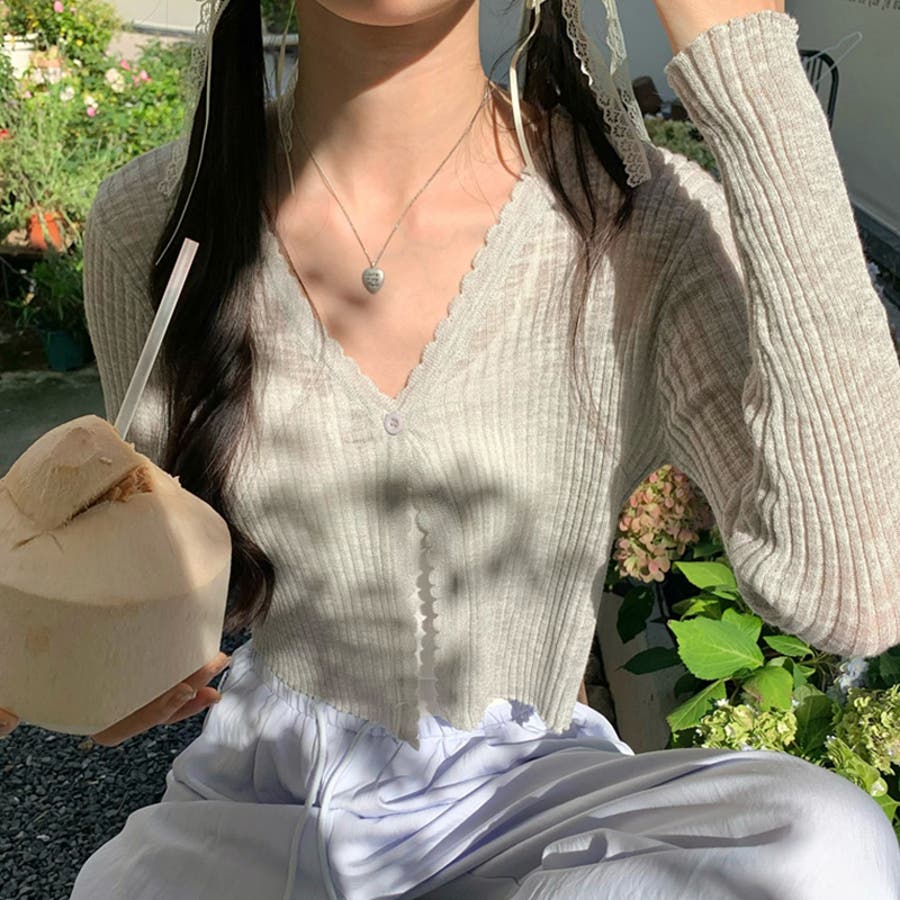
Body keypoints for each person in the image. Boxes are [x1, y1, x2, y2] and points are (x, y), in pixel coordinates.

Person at [4, 0, 897, 896]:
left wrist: (746, 66)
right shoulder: (156, 221)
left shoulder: (640, 219)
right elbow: (164, 567)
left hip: (531, 807)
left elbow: (855, 596)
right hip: (259, 814)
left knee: (824, 844)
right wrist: (68, 648)